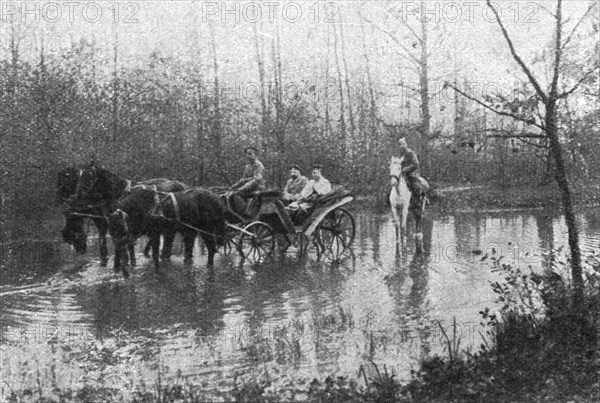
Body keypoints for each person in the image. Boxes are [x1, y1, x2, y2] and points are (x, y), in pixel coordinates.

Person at [227, 146, 266, 217]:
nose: (248, 156)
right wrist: (234, 186)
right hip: (249, 188)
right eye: (247, 154)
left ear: (255, 154)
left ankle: (243, 212)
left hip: (257, 188)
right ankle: (235, 212)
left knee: (235, 194)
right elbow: (243, 179)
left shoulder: (259, 165)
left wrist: (242, 188)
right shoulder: (248, 167)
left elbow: (255, 180)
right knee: (230, 193)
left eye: (250, 154)